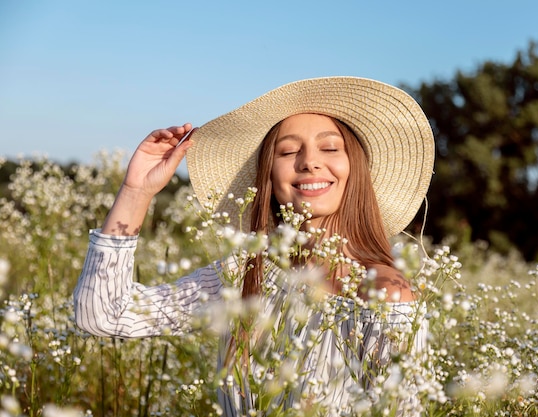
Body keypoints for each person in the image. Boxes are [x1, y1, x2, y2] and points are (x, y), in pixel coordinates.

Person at [73, 76, 435, 416]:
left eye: (329, 147)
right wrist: (137, 191)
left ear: (355, 168)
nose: (309, 162)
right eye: (287, 151)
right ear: (269, 177)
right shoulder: (244, 274)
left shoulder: (385, 294)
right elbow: (104, 314)